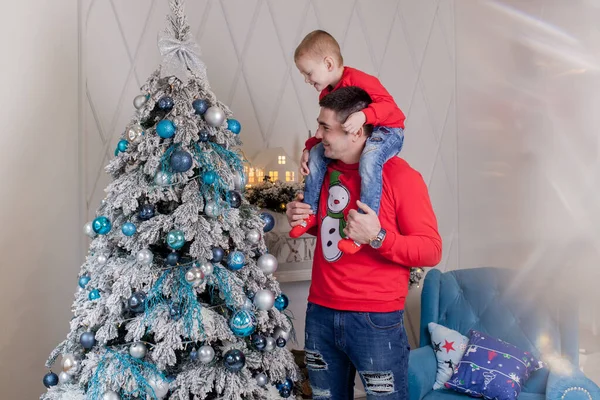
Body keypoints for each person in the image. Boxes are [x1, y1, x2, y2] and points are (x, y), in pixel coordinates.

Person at [285, 86, 442, 399]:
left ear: (355, 133)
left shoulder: (401, 177)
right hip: (320, 314)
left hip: (375, 321)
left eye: (325, 128)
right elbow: (334, 228)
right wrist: (303, 217)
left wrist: (377, 237)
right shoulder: (324, 171)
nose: (317, 135)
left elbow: (431, 249)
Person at [290, 30, 406, 256]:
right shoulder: (326, 93)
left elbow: (390, 107)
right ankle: (309, 212)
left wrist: (364, 116)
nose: (306, 80)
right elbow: (329, 126)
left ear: (329, 63)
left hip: (389, 129)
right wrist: (309, 147)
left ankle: (363, 224)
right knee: (315, 155)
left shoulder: (360, 80)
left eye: (308, 73)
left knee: (370, 159)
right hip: (366, 128)